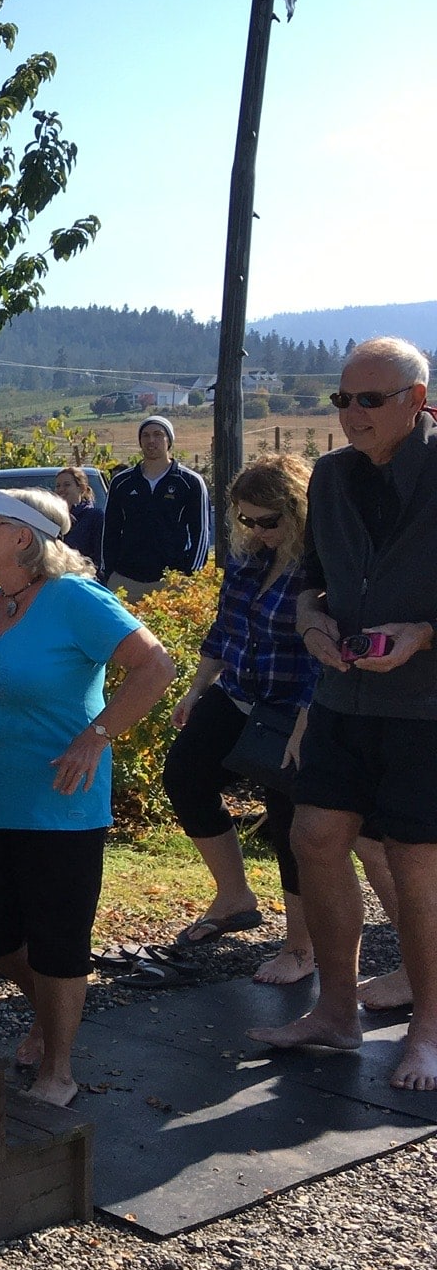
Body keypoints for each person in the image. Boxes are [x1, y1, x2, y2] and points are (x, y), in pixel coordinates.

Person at [253, 337, 437, 1092]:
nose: (351, 415)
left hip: (426, 708)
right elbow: (313, 582)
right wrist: (311, 624)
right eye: (341, 400)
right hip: (342, 696)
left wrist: (426, 633)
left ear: (417, 400)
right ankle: (337, 1011)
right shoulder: (328, 477)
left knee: (416, 865)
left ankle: (428, 1029)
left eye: (369, 400)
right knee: (314, 835)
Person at [0, 488, 175, 1106]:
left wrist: (96, 735)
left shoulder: (76, 600)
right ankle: (51, 1017)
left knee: (57, 937)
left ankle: (59, 1068)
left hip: (60, 800)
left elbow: (155, 666)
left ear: (22, 538)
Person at [161, 454, 324, 982]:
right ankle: (234, 897)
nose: (257, 530)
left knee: (287, 820)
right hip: (237, 691)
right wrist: (196, 688)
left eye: (269, 521)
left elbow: (321, 651)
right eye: (246, 519)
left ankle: (301, 948)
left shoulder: (318, 563)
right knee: (185, 775)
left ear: (297, 511)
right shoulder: (250, 555)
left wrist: (305, 720)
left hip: (291, 703)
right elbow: (225, 627)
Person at [101, 415, 210, 599]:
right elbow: (110, 531)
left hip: (172, 581)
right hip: (126, 580)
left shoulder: (190, 482)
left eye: (158, 435)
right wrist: (109, 573)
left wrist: (189, 573)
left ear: (169, 440)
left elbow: (201, 533)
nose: (151, 440)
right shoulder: (122, 482)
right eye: (145, 435)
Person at [53, 465, 103, 568]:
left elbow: (100, 555)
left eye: (67, 485)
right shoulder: (51, 518)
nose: (61, 489)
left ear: (81, 488)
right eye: (58, 486)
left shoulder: (95, 516)